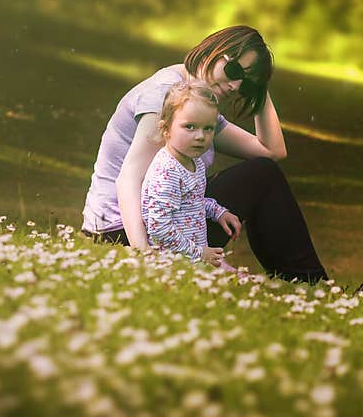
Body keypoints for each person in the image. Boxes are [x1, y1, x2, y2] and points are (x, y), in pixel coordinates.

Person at [81, 25, 329, 283]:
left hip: (166, 218)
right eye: (234, 71)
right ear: (215, 51)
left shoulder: (196, 106)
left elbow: (271, 150)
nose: (235, 86)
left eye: (245, 82)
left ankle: (308, 282)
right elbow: (128, 179)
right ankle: (311, 282)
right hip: (129, 231)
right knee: (262, 175)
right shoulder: (165, 94)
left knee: (262, 171)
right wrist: (143, 255)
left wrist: (259, 87)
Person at [140, 80, 242, 271]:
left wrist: (218, 211)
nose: (200, 136)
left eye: (208, 128)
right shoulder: (167, 170)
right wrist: (199, 252)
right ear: (166, 129)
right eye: (190, 127)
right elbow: (159, 228)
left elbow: (192, 202)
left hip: (194, 257)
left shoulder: (194, 162)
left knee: (242, 282)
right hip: (173, 262)